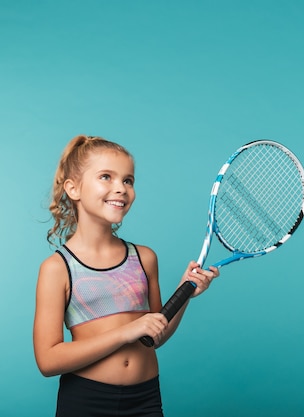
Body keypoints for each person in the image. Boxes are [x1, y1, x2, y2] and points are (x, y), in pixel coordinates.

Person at [33, 135, 219, 417]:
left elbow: (155, 334)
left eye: (128, 180)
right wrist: (124, 333)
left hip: (145, 400)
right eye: (106, 177)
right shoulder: (58, 268)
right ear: (73, 188)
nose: (120, 188)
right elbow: (47, 360)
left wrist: (185, 292)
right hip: (87, 401)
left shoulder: (144, 258)